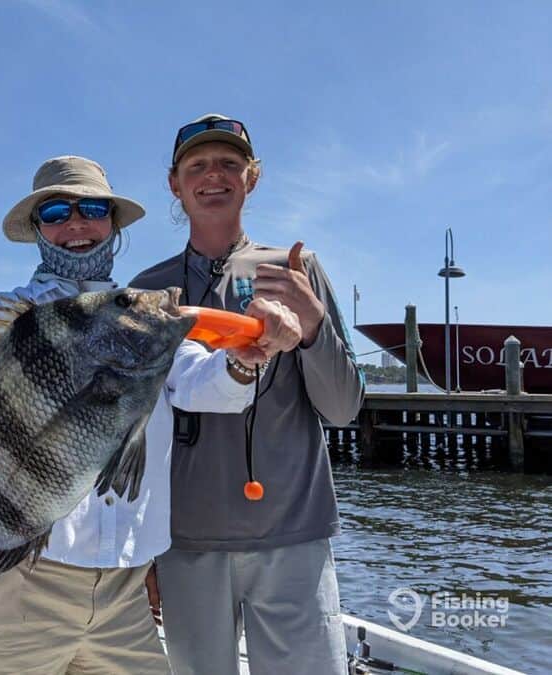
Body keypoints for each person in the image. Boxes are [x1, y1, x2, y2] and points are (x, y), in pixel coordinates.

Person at [0, 155, 303, 674]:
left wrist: (246, 363)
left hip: (124, 594)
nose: (76, 224)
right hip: (19, 581)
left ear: (112, 223)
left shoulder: (138, 320)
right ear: (36, 229)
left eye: (92, 208)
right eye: (55, 212)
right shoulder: (12, 314)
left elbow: (207, 384)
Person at [130, 114, 365, 675]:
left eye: (230, 164)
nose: (215, 176)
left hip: (294, 537)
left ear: (252, 177)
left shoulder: (295, 268)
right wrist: (142, 555)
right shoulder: (143, 292)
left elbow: (343, 407)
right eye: (198, 166)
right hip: (185, 543)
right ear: (175, 183)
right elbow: (133, 434)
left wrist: (312, 328)